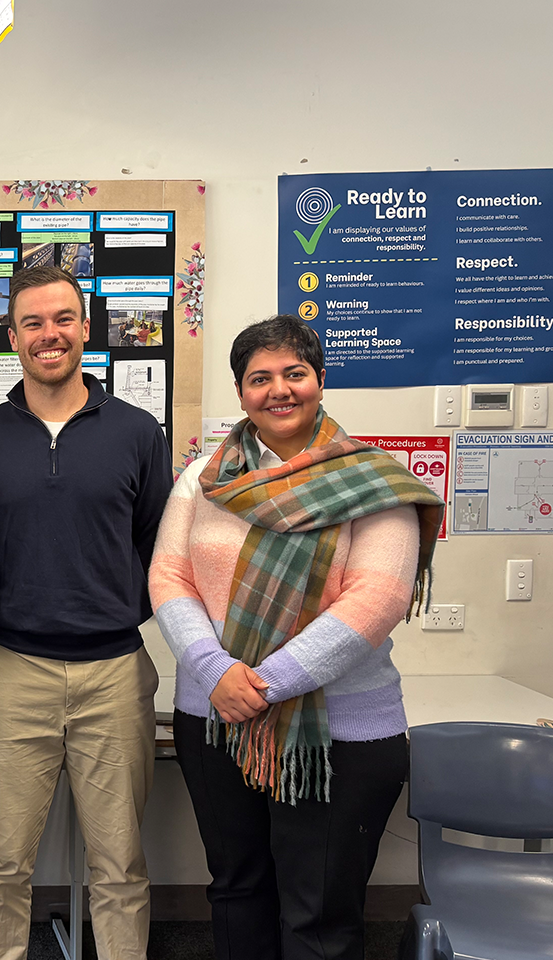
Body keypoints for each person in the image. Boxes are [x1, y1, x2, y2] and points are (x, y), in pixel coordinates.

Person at [148, 315, 443, 960]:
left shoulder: (373, 482)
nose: (278, 390)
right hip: (216, 718)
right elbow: (170, 577)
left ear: (319, 381)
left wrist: (262, 684)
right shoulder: (203, 480)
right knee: (236, 891)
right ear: (241, 392)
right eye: (260, 378)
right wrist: (212, 671)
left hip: (338, 735)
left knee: (319, 912)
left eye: (294, 374)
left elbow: (379, 597)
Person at [0, 264, 171, 960]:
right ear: (12, 335)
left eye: (62, 320)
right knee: (1, 863)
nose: (49, 335)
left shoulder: (138, 432)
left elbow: (156, 543)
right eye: (33, 323)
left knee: (120, 866)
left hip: (115, 673)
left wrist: (112, 610)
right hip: (14, 670)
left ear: (85, 327)